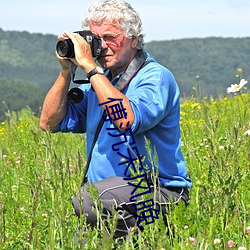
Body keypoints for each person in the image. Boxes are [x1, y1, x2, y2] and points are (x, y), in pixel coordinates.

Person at [40, 0, 192, 244]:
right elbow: (49, 123)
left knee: (87, 200)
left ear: (133, 39)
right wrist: (66, 70)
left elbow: (126, 120)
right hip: (111, 199)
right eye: (96, 39)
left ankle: (153, 237)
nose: (102, 47)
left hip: (157, 191)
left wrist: (90, 67)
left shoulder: (154, 77)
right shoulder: (99, 83)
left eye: (110, 37)